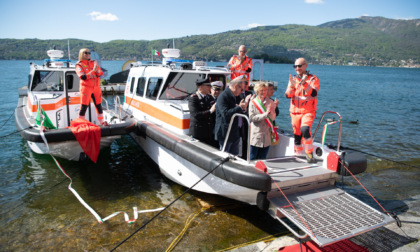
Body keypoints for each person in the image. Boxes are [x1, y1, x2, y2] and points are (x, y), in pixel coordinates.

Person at [284, 58, 320, 163]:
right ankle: (298, 154)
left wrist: (304, 83)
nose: (297, 68)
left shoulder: (313, 79)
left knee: (305, 129)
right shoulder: (293, 79)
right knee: (297, 134)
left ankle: (309, 153)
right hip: (295, 111)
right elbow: (287, 95)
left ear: (305, 66)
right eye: (295, 66)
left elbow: (314, 93)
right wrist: (291, 86)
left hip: (308, 111)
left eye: (299, 66)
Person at [214, 75, 249, 155]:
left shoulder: (234, 96)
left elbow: (235, 111)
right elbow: (225, 114)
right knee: (224, 155)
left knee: (235, 156)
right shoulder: (223, 96)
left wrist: (242, 108)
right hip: (225, 132)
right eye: (241, 89)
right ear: (236, 86)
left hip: (234, 132)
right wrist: (239, 107)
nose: (242, 91)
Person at [75, 48, 105, 125]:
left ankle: (102, 122)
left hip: (96, 87)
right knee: (84, 106)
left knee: (99, 105)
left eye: (89, 53)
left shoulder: (93, 63)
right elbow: (83, 77)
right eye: (86, 53)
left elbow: (100, 74)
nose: (88, 54)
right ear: (82, 54)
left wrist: (95, 71)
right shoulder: (79, 65)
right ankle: (81, 123)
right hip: (86, 88)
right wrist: (93, 71)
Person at [249, 82, 277, 160]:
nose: (263, 92)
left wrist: (271, 113)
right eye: (261, 90)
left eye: (265, 90)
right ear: (257, 91)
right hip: (256, 136)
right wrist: (265, 114)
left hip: (267, 137)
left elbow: (273, 118)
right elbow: (251, 118)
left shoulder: (270, 102)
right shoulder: (253, 102)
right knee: (253, 158)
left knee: (263, 159)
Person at [188, 78, 218, 147]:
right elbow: (195, 114)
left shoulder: (210, 97)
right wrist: (210, 111)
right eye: (208, 86)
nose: (210, 87)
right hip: (199, 133)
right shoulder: (194, 98)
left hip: (209, 132)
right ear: (201, 87)